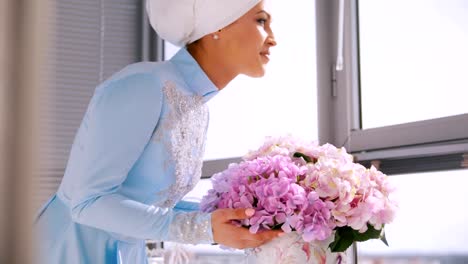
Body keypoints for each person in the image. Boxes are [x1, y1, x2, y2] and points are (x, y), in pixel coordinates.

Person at [35, 0, 278, 263]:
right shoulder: (143, 83)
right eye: (261, 21)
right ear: (217, 25)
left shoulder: (197, 107)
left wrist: (241, 216)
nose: (273, 39)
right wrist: (203, 227)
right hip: (66, 251)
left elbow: (157, 203)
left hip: (126, 253)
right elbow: (87, 202)